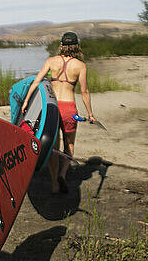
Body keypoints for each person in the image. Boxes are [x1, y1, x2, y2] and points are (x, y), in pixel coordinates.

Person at [20, 31, 96, 194]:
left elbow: (37, 80)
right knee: (69, 144)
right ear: (77, 46)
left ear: (61, 45)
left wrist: (26, 101)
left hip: (52, 108)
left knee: (53, 147)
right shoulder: (80, 66)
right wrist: (90, 114)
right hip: (69, 108)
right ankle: (63, 174)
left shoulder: (51, 61)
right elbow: (85, 92)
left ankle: (54, 183)